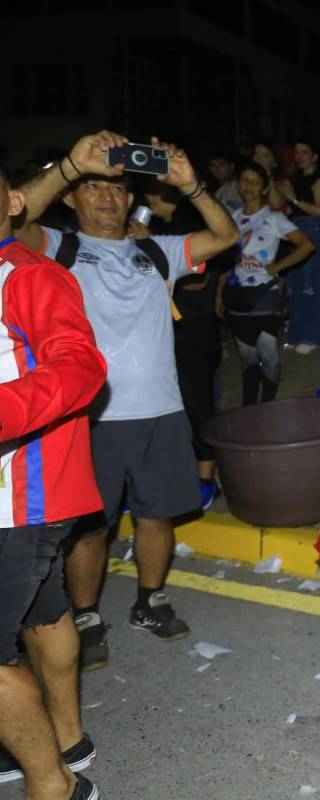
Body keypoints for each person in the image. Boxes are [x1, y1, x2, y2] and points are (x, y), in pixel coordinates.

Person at [13, 130, 239, 671]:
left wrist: (191, 186)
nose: (107, 197)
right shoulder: (55, 248)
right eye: (93, 188)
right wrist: (70, 165)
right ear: (72, 197)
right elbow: (13, 217)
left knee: (158, 515)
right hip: (91, 418)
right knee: (92, 527)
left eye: (116, 187)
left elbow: (225, 235)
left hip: (162, 411)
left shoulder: (156, 251)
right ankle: (87, 615)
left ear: (131, 197)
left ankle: (150, 600)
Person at [0, 163, 106, 800]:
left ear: (14, 202)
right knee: (44, 614)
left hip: (24, 491)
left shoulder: (32, 274)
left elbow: (82, 367)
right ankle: (68, 743)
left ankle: (55, 786)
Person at [142, 181, 222, 508]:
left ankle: (206, 479)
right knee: (179, 400)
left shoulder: (186, 228)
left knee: (196, 398)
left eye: (147, 194)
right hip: (175, 327)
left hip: (195, 325)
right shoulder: (166, 227)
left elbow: (199, 279)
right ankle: (189, 470)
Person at [217, 163, 315, 406]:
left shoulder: (273, 218)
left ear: (264, 187)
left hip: (264, 297)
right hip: (236, 295)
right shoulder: (231, 219)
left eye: (255, 182)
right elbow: (224, 259)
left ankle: (268, 406)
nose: (249, 187)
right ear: (238, 184)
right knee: (248, 358)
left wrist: (277, 267)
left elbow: (307, 245)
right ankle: (250, 407)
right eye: (245, 181)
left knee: (269, 356)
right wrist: (218, 294)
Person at [280, 138, 320, 354]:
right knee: (294, 283)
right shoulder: (295, 178)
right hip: (297, 230)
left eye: (305, 152)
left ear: (314, 157)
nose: (300, 156)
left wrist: (293, 200)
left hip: (315, 231)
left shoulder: (319, 179)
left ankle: (313, 336)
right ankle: (296, 333)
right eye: (297, 152)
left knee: (310, 284)